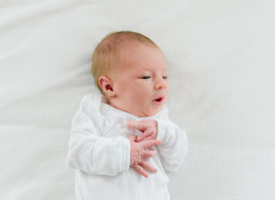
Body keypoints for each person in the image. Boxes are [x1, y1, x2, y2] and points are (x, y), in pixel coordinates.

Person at [66, 31, 188, 200]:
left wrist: (164, 133)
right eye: (146, 77)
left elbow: (175, 161)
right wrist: (124, 152)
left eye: (165, 76)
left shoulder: (159, 119)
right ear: (109, 87)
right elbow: (78, 153)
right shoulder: (95, 110)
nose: (161, 85)